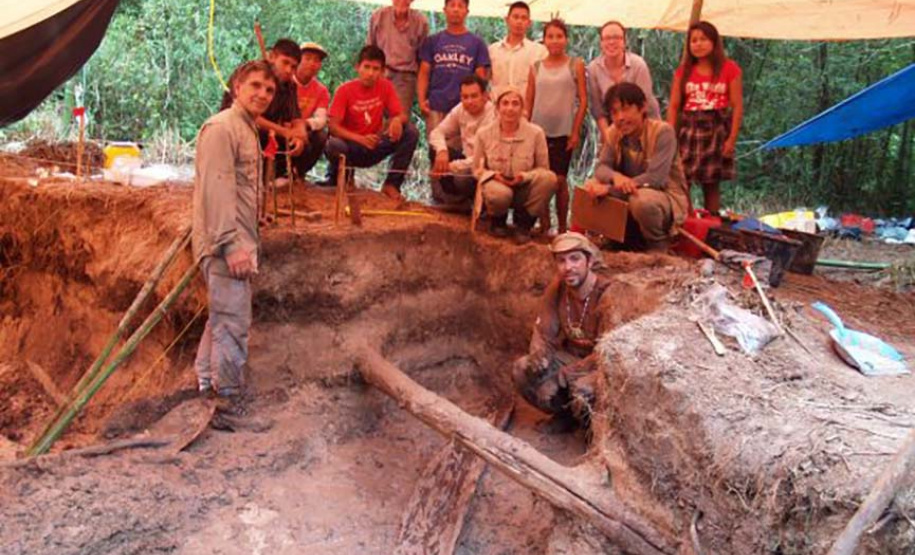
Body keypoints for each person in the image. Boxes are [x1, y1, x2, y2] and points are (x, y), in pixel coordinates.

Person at [193, 60, 277, 413]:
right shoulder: (222, 128)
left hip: (237, 238)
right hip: (226, 243)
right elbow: (217, 188)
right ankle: (226, 398)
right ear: (237, 86)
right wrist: (231, 244)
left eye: (270, 90)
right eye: (255, 85)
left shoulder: (246, 128)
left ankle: (204, 383)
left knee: (222, 317)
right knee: (233, 322)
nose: (263, 94)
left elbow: (238, 188)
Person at [512, 232, 613, 432]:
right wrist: (539, 356)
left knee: (583, 389)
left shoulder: (607, 293)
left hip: (598, 366)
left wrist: (561, 378)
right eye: (561, 261)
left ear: (589, 261)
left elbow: (607, 353)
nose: (568, 267)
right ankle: (565, 417)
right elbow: (543, 332)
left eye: (575, 259)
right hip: (569, 358)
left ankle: (592, 430)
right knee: (522, 369)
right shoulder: (558, 288)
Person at [583, 82, 689, 252]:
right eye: (614, 112)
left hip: (663, 196)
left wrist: (610, 189)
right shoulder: (613, 132)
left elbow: (656, 179)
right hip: (627, 191)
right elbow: (602, 168)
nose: (620, 118)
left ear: (643, 107)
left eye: (625, 109)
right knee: (591, 185)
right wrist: (615, 178)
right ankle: (614, 238)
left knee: (642, 201)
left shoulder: (663, 132)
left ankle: (658, 246)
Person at [667, 20, 743, 214]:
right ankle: (688, 220)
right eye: (693, 40)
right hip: (689, 129)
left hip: (716, 129)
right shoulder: (683, 71)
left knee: (711, 183)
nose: (698, 44)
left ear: (714, 42)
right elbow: (674, 106)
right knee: (684, 180)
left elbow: (736, 106)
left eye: (703, 39)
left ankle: (712, 224)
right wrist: (668, 137)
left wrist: (731, 139)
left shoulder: (729, 68)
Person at [325, 45, 419, 202]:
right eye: (366, 67)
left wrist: (396, 120)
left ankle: (392, 185)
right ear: (357, 67)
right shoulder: (344, 90)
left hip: (375, 144)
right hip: (352, 147)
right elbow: (333, 127)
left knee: (410, 132)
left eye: (376, 69)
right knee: (333, 144)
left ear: (383, 72)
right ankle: (345, 179)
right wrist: (359, 138)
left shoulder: (386, 86)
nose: (370, 73)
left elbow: (401, 114)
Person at [473, 87, 557, 244]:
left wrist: (524, 177)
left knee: (550, 179)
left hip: (524, 184)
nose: (510, 109)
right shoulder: (483, 134)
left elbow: (543, 169)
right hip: (497, 184)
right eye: (505, 103)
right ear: (497, 108)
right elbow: (477, 169)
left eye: (515, 104)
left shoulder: (536, 133)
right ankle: (498, 221)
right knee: (500, 194)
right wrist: (494, 176)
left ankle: (524, 225)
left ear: (522, 108)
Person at [526, 18, 586, 234]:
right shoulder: (535, 67)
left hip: (563, 132)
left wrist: (575, 131)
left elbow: (583, 101)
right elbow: (529, 102)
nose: (554, 40)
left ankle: (562, 228)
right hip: (539, 132)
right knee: (542, 180)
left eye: (559, 36)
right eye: (550, 36)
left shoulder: (575, 65)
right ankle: (544, 225)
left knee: (560, 181)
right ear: (544, 40)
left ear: (566, 39)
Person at [222, 39, 305, 180]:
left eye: (293, 67)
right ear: (272, 56)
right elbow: (248, 116)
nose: (288, 70)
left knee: (309, 140)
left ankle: (280, 175)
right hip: (237, 127)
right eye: (285, 62)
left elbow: (296, 117)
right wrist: (286, 132)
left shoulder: (289, 85)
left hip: (268, 133)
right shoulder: (247, 73)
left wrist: (299, 136)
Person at [417, 0, 491, 142]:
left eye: (460, 6)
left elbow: (480, 76)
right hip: (436, 104)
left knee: (462, 151)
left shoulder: (477, 43)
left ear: (467, 11)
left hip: (465, 106)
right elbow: (423, 73)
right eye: (452, 5)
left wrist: (480, 102)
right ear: (445, 10)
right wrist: (421, 101)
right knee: (436, 148)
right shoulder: (432, 41)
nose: (456, 9)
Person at [428, 74, 496, 207]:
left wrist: (451, 167)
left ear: (485, 96)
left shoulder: (493, 115)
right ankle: (458, 203)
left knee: (462, 178)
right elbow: (436, 132)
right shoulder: (460, 109)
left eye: (474, 96)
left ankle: (481, 206)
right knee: (435, 151)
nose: (469, 101)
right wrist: (442, 151)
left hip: (485, 167)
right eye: (465, 97)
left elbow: (483, 158)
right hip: (465, 159)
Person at [587, 21, 660, 143]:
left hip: (644, 123)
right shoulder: (593, 69)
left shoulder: (638, 65)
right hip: (613, 125)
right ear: (601, 43)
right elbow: (598, 110)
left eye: (617, 37)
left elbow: (643, 105)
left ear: (624, 41)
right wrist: (609, 138)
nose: (611, 42)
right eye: (607, 38)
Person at [366, 0, 429, 115]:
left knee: (398, 119)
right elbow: (369, 51)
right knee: (373, 115)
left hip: (406, 77)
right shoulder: (378, 16)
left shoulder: (421, 22)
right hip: (379, 73)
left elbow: (422, 58)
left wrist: (422, 93)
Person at [488, 1, 546, 99]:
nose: (519, 22)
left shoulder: (540, 52)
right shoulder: (493, 50)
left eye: (523, 18)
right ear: (507, 20)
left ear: (529, 23)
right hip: (497, 109)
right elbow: (484, 79)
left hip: (526, 110)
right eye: (515, 17)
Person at [293, 42, 331, 179]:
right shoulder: (285, 82)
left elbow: (321, 119)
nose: (312, 63)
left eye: (316, 60)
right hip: (282, 128)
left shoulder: (321, 91)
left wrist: (305, 124)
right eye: (307, 58)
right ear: (298, 60)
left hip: (304, 131)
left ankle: (299, 172)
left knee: (321, 136)